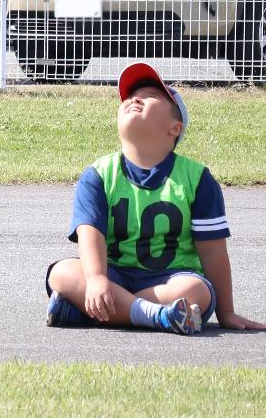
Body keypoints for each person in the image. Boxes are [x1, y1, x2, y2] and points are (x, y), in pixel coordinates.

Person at [44, 62, 259, 334]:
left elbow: (213, 251)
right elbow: (90, 235)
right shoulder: (98, 174)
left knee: (195, 291)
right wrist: (98, 278)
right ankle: (158, 317)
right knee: (61, 273)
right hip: (113, 274)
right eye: (131, 96)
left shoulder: (197, 179)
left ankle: (89, 312)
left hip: (170, 280)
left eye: (151, 96)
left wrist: (226, 312)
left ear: (175, 128)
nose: (135, 98)